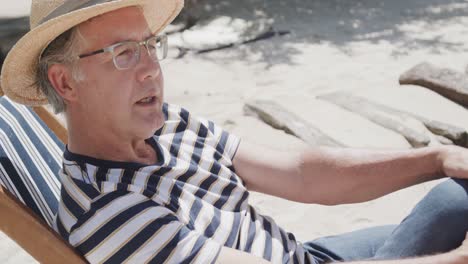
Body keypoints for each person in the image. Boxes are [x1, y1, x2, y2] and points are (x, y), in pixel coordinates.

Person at [2, 1, 468, 263]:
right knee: (455, 205)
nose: (151, 70)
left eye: (150, 45)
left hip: (303, 254)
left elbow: (300, 173)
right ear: (65, 82)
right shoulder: (109, 216)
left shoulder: (168, 124)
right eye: (124, 53)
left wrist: (434, 157)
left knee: (455, 188)